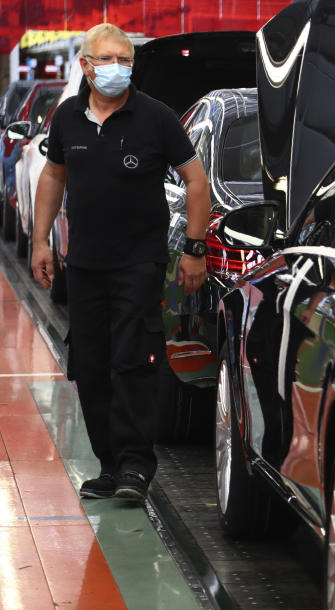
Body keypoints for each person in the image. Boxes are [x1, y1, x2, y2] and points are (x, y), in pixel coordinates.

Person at [30, 24, 211, 503]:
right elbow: (53, 174)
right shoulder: (68, 117)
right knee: (89, 366)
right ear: (86, 66)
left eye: (125, 60)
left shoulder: (156, 118)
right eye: (108, 59)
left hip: (139, 263)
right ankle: (109, 466)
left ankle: (135, 466)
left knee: (132, 363)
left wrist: (194, 248)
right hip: (84, 264)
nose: (118, 68)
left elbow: (196, 181)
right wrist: (41, 241)